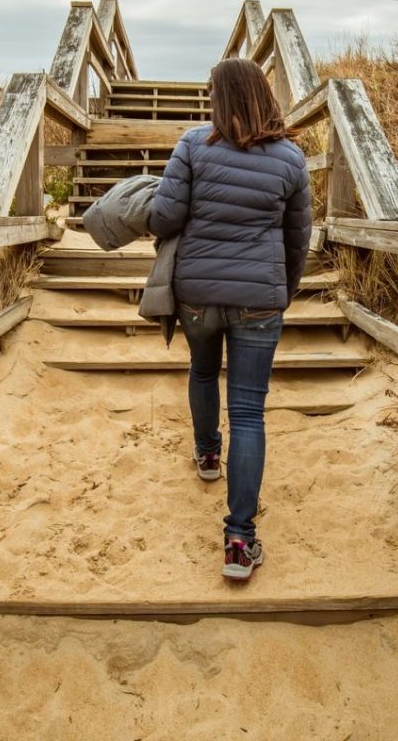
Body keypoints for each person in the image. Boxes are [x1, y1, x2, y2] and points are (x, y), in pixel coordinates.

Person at [149, 57, 311, 582]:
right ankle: (240, 541)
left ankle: (206, 455)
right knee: (248, 412)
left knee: (200, 371)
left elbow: (165, 217)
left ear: (219, 100)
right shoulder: (291, 159)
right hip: (259, 299)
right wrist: (279, 293)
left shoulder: (193, 145)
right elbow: (297, 239)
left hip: (197, 292)